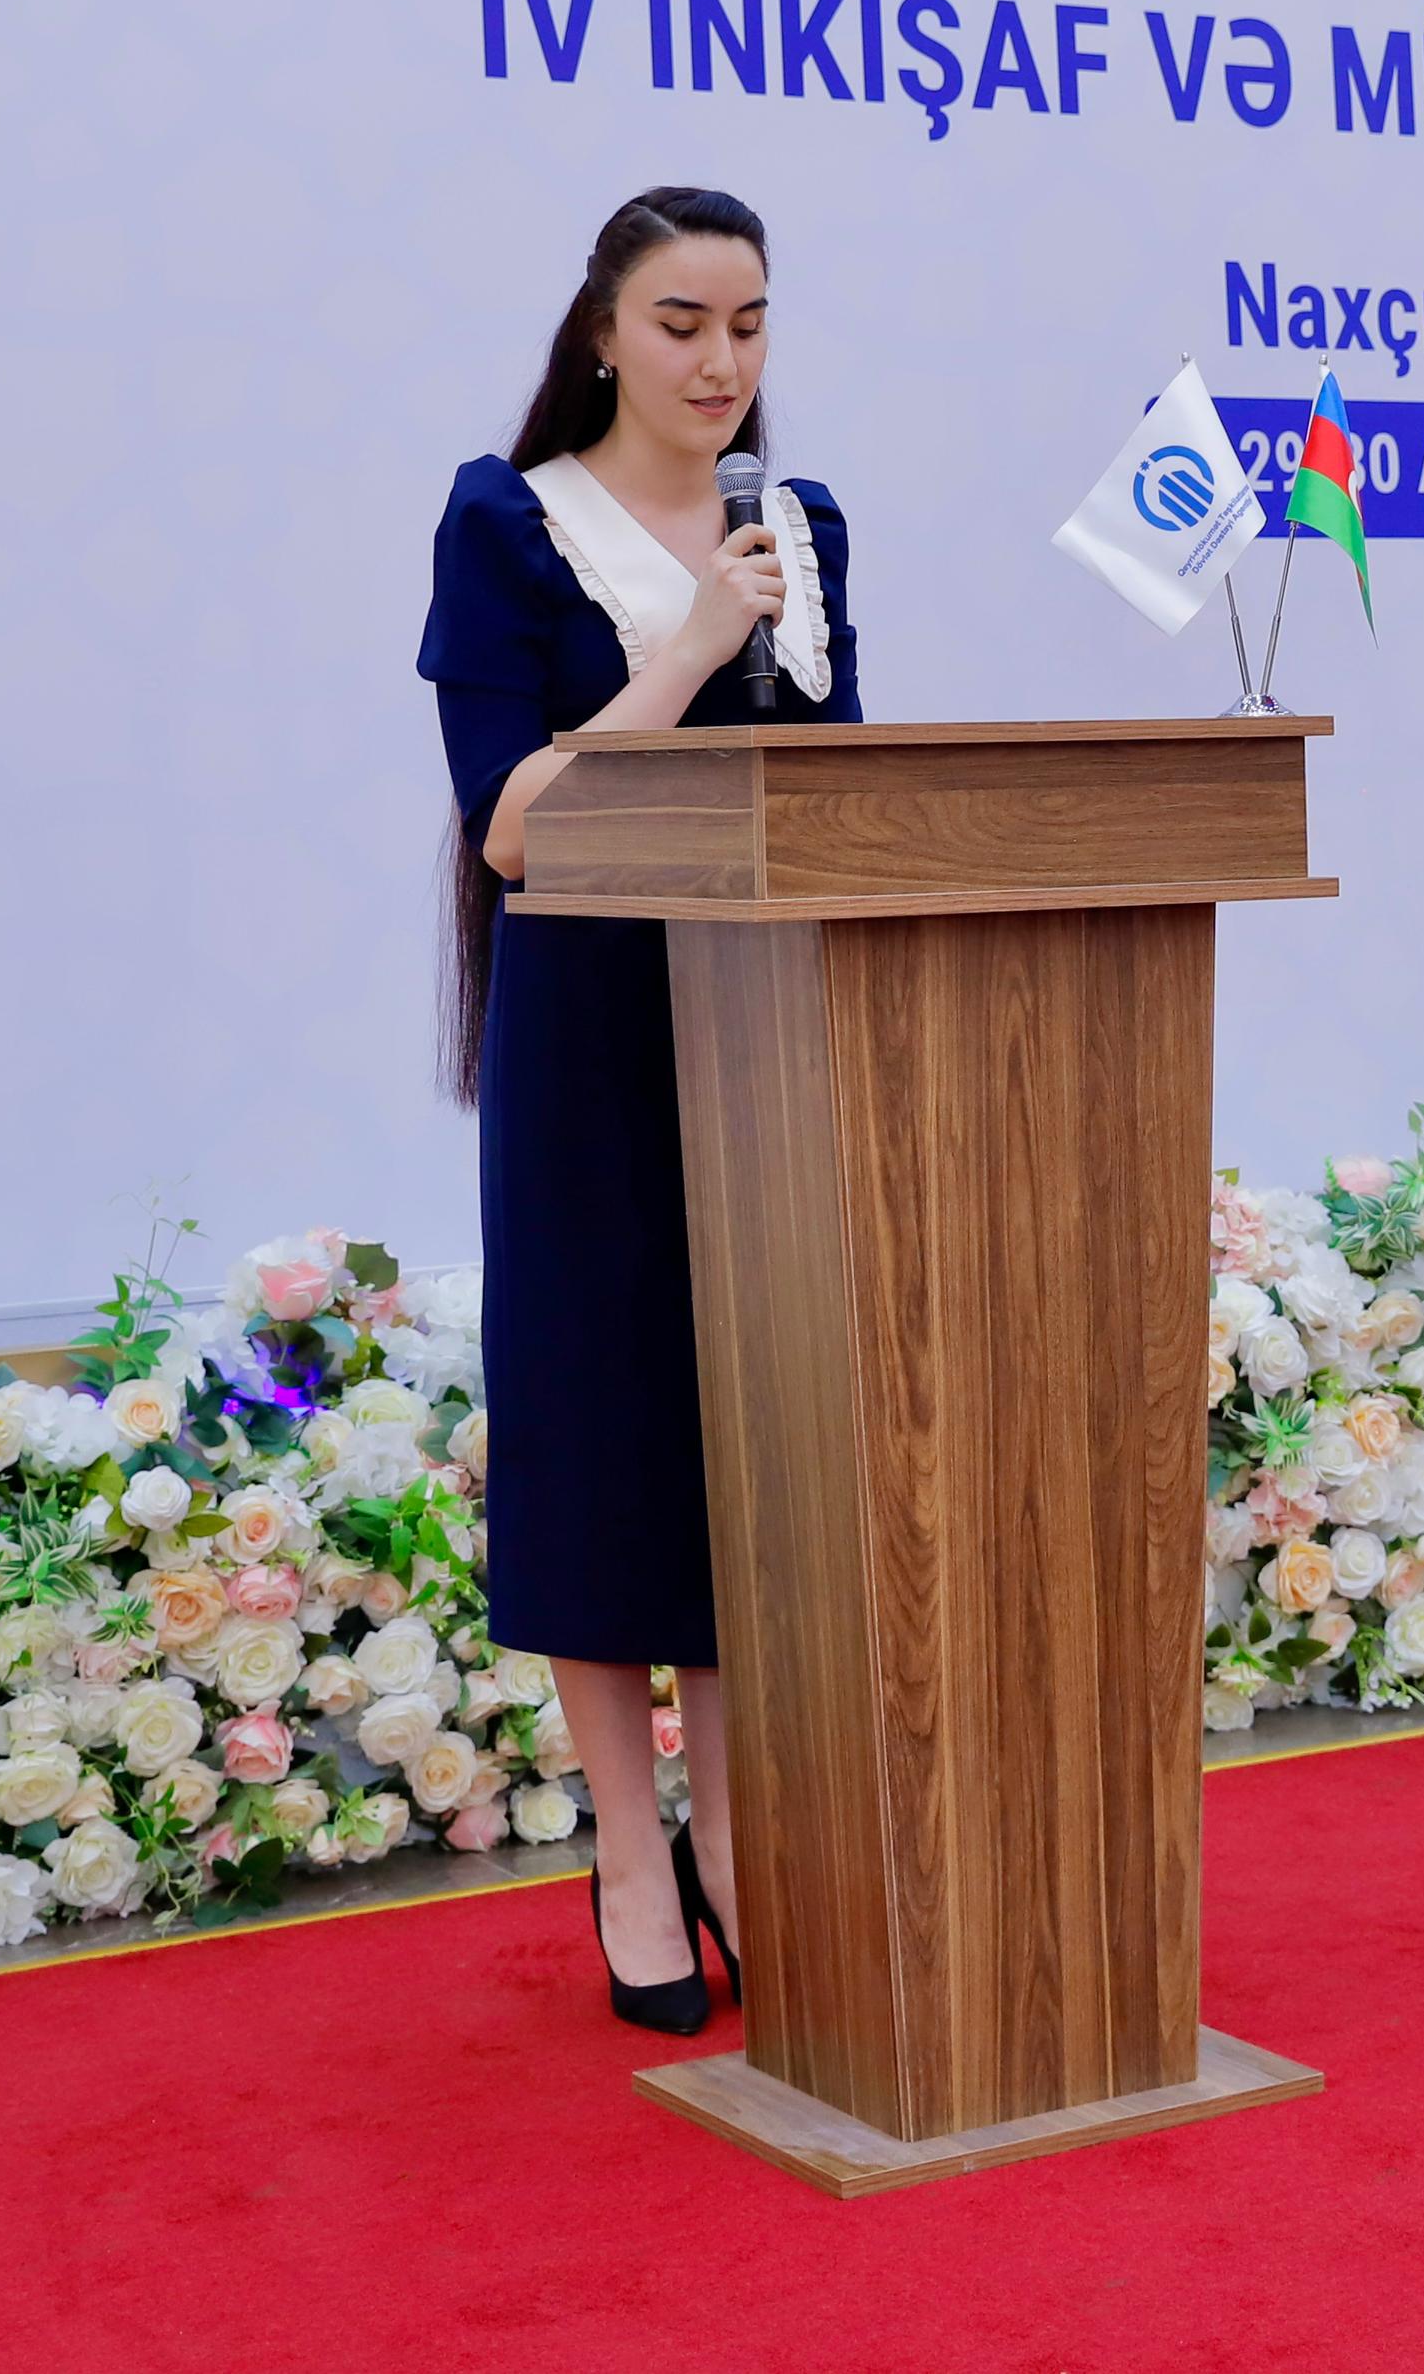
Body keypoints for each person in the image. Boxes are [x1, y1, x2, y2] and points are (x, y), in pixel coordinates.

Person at [416, 185, 861, 2036]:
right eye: (682, 322)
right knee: (605, 1440)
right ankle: (627, 1848)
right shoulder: (508, 521)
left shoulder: (801, 525)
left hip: (767, 1042)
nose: (719, 361)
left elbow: (842, 799)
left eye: (748, 324)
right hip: (592, 1046)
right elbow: (514, 828)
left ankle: (736, 1834)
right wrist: (681, 645)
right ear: (603, 331)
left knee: (746, 1440)